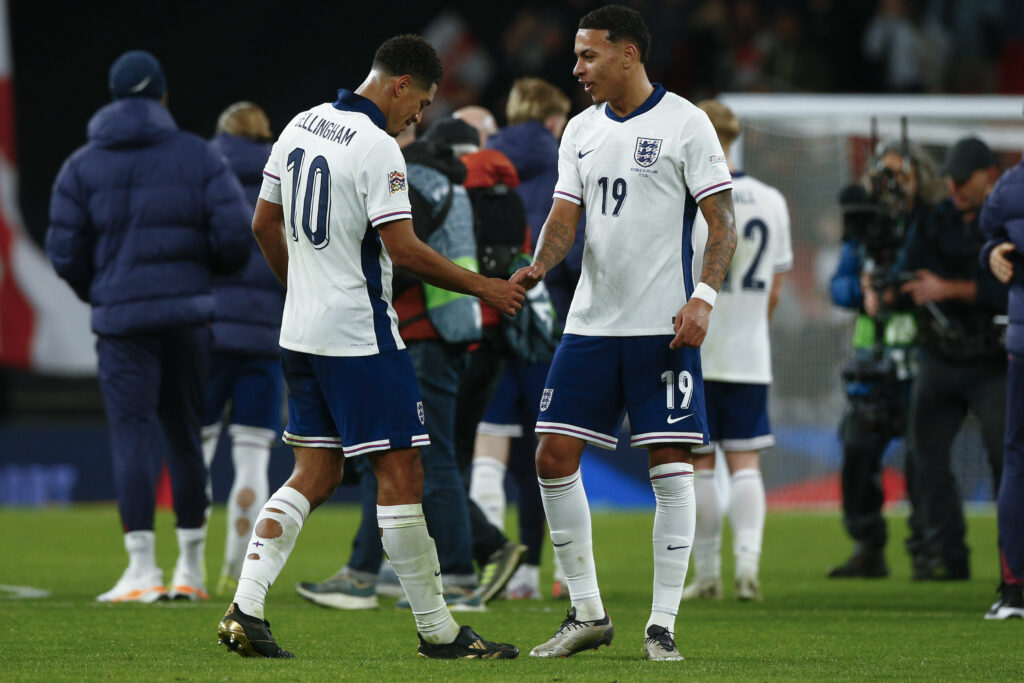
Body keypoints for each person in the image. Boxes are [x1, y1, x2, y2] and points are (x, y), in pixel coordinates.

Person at [215, 34, 523, 660]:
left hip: (300, 331)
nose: (420, 117)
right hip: (360, 333)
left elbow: (262, 223)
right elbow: (404, 249)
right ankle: (438, 631)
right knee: (402, 471)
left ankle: (245, 606)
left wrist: (299, 286)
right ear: (401, 84)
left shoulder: (301, 124)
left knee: (316, 471)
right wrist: (483, 287)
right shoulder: (380, 146)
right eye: (423, 102)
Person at [511, 5, 737, 661]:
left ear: (629, 54)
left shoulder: (686, 124)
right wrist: (541, 264)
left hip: (661, 326)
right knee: (551, 455)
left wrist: (703, 296)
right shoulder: (579, 130)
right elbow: (563, 216)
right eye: (577, 57)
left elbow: (721, 223)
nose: (577, 69)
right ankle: (587, 612)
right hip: (590, 322)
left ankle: (662, 623)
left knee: (671, 464)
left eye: (588, 56)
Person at [46, 50, 251, 602]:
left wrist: (104, 289)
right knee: (185, 437)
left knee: (132, 436)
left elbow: (64, 252)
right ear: (162, 96)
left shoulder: (81, 165)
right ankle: (190, 570)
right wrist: (202, 278)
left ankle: (141, 571)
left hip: (122, 324)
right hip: (187, 318)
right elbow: (236, 236)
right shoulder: (199, 157)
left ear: (115, 97)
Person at [295, 117, 488, 611]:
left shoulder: (413, 181)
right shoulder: (458, 184)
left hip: (417, 332)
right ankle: (367, 571)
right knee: (396, 454)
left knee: (421, 459)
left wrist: (364, 292)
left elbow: (400, 255)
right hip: (454, 330)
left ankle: (458, 577)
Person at [470, 77, 581, 600]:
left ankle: (484, 568)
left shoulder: (482, 162)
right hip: (547, 325)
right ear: (554, 120)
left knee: (489, 446)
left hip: (488, 318)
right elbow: (576, 253)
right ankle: (542, 575)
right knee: (548, 453)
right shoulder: (569, 161)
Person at [681, 100, 792, 602]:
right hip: (751, 352)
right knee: (745, 462)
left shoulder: (693, 200)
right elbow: (774, 290)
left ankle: (707, 576)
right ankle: (748, 566)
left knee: (700, 464)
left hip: (698, 348)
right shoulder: (772, 199)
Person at [825, 142, 943, 578]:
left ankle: (926, 550)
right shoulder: (865, 228)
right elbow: (838, 288)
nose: (891, 187)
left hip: (921, 364)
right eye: (884, 177)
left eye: (901, 177)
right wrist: (863, 286)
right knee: (856, 449)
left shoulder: (931, 225)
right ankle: (867, 545)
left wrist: (900, 286)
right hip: (870, 366)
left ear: (920, 180)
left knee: (923, 458)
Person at [897, 136, 1008, 581]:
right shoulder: (932, 220)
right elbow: (905, 274)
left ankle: (1012, 565)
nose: (956, 187)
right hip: (939, 359)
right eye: (951, 180)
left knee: (1008, 462)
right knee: (926, 458)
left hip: (992, 363)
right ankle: (949, 557)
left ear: (990, 178)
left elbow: (1008, 290)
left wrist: (948, 289)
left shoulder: (1006, 221)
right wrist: (883, 286)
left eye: (965, 180)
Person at [200, 102, 284, 596]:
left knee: (198, 452)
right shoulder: (284, 179)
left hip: (207, 336)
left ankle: (189, 568)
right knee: (251, 464)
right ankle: (233, 570)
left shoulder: (203, 172)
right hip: (263, 340)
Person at [980, 153, 1024, 618]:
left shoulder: (1011, 185)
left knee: (1017, 460)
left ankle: (1015, 590)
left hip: (1021, 341)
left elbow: (992, 236)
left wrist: (991, 251)